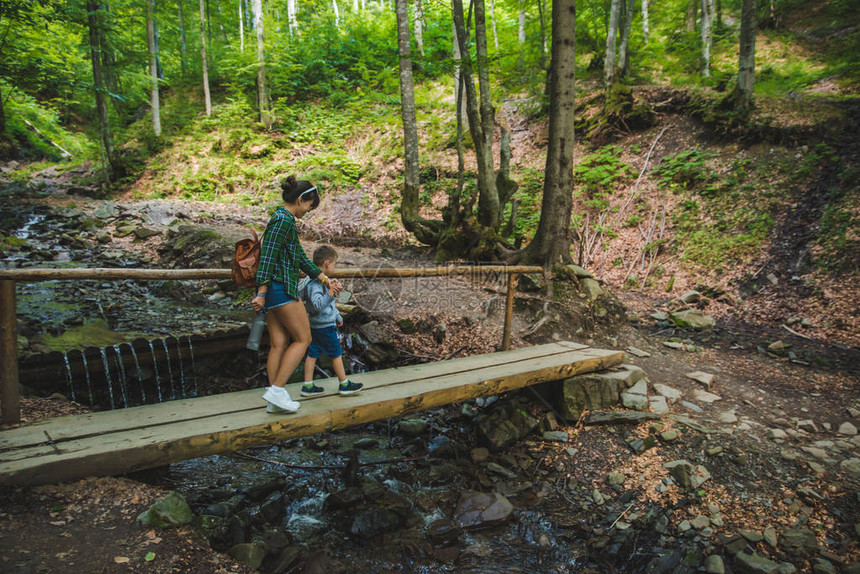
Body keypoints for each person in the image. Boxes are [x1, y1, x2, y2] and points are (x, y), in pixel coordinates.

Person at [252, 176, 341, 413]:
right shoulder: (282, 221)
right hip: (281, 289)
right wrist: (261, 292)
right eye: (310, 206)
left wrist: (323, 278)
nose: (309, 211)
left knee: (278, 344)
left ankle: (274, 401)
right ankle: (277, 390)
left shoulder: (283, 220)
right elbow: (267, 257)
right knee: (304, 339)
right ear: (302, 199)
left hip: (275, 290)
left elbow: (301, 258)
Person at [298, 245, 363, 396]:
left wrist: (338, 317)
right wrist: (330, 293)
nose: (334, 268)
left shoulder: (323, 282)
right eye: (334, 264)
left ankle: (308, 386)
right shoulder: (314, 284)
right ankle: (344, 384)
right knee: (336, 354)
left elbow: (330, 306)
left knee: (312, 354)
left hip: (319, 325)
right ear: (327, 263)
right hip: (324, 328)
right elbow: (317, 306)